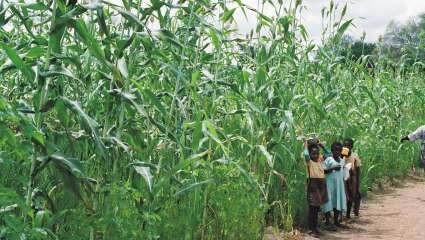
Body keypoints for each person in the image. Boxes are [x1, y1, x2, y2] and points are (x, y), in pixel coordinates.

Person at [302, 138, 331, 236]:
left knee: (317, 208)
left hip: (321, 186)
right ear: (310, 154)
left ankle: (315, 228)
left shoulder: (319, 160)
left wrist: (321, 145)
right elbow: (305, 154)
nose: (316, 155)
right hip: (313, 186)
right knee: (312, 209)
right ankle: (311, 229)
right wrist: (306, 144)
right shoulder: (309, 162)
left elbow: (328, 154)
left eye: (317, 153)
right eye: (313, 153)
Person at [322, 142, 347, 230]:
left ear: (341, 151)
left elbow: (344, 174)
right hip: (329, 185)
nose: (337, 152)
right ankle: (328, 222)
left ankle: (336, 221)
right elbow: (323, 171)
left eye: (339, 150)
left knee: (337, 202)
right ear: (332, 151)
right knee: (328, 202)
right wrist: (332, 168)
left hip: (339, 185)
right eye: (335, 150)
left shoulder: (342, 160)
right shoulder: (329, 159)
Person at [342, 138, 362, 219]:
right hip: (343, 177)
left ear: (352, 147)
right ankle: (345, 214)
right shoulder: (341, 155)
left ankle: (352, 212)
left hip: (352, 178)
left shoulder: (354, 155)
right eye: (345, 145)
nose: (346, 147)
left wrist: (357, 181)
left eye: (348, 146)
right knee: (346, 196)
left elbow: (357, 168)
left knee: (354, 195)